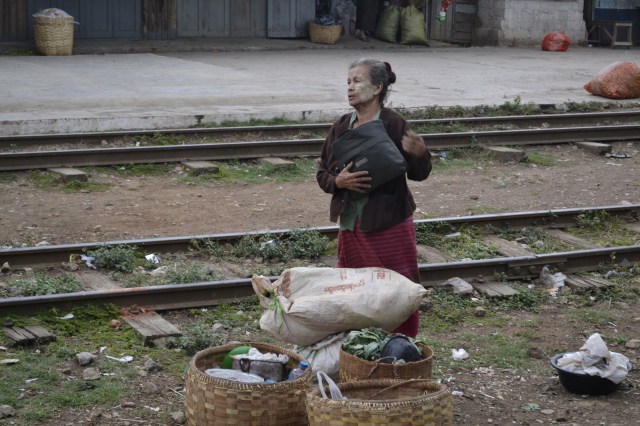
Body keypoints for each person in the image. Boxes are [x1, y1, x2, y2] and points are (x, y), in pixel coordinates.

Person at [316, 58, 432, 338]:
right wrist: (338, 181)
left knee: (396, 289)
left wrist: (419, 153)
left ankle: (400, 344)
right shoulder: (341, 126)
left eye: (357, 81)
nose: (350, 88)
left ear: (378, 87)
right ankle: (361, 344)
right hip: (351, 224)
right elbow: (322, 173)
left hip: (389, 223)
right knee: (355, 291)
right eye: (348, 82)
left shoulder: (393, 123)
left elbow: (419, 173)